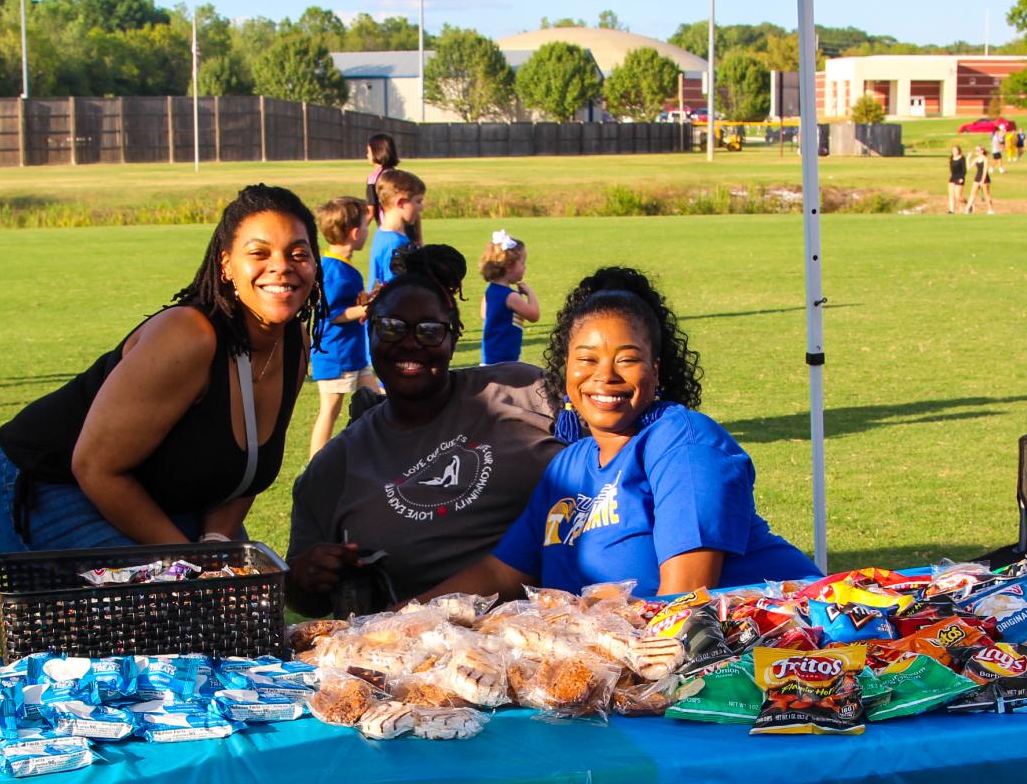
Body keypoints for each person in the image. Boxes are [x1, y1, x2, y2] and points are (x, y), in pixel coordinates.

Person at [424, 267, 815, 599]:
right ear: (566, 370)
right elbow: (500, 573)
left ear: (655, 371)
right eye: (587, 359)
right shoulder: (569, 466)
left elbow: (683, 601)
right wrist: (398, 618)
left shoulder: (684, 444)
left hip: (790, 659)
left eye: (627, 359)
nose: (605, 375)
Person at [0, 184, 322, 550]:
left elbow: (248, 470)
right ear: (226, 265)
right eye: (259, 253)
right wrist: (192, 566)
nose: (282, 267)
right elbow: (96, 467)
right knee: (177, 601)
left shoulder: (292, 343)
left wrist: (215, 541)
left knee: (234, 594)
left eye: (298, 254)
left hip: (154, 490)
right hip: (54, 481)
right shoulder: (188, 336)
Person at [288, 244, 564, 616]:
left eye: (430, 331)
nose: (410, 343)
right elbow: (303, 598)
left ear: (454, 337)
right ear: (369, 333)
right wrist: (306, 577)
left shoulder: (523, 391)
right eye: (391, 327)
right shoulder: (333, 468)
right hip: (413, 657)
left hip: (560, 635)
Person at [307, 196, 379, 459]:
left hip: (353, 354)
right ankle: (316, 464)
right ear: (355, 232)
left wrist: (370, 297)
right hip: (336, 356)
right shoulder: (333, 270)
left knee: (375, 403)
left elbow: (349, 303)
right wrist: (366, 309)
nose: (368, 233)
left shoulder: (344, 267)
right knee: (330, 410)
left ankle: (372, 453)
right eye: (366, 226)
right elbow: (333, 313)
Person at [479, 229, 540, 364]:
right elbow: (534, 315)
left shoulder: (490, 291)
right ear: (509, 266)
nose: (525, 268)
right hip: (505, 361)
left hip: (489, 358)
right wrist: (530, 293)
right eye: (522, 263)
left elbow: (484, 314)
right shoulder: (511, 297)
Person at [367, 167, 424, 289]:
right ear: (401, 203)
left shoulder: (382, 234)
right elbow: (396, 292)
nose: (421, 207)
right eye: (418, 201)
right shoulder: (394, 243)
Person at [365, 132, 399, 227]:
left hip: (386, 228)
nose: (367, 155)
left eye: (369, 151)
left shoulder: (373, 178)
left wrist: (356, 233)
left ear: (377, 152)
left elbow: (371, 211)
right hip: (405, 229)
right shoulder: (401, 176)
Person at [966, 145, 996, 214]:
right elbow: (968, 167)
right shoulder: (976, 159)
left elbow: (985, 170)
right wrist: (968, 158)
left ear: (982, 151)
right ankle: (967, 208)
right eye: (975, 150)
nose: (976, 152)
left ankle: (990, 209)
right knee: (972, 194)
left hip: (985, 178)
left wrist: (982, 181)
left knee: (987, 195)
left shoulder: (985, 159)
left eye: (977, 150)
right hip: (977, 177)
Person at [946, 144, 967, 213]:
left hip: (960, 177)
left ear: (959, 151)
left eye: (956, 150)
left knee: (958, 196)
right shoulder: (951, 158)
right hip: (953, 177)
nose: (954, 151)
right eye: (953, 150)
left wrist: (962, 178)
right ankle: (951, 210)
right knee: (951, 195)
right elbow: (951, 169)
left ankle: (967, 202)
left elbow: (964, 170)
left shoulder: (962, 158)